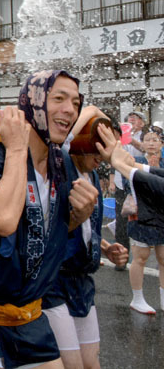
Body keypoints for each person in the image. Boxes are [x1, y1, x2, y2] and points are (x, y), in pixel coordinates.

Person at [0, 70, 99, 369]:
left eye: (75, 103)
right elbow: (5, 221)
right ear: (33, 103)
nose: (69, 109)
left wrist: (80, 215)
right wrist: (16, 148)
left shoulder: (60, 162)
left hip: (28, 313)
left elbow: (42, 234)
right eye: (59, 99)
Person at [42, 108, 128, 369]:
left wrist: (104, 247)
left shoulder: (91, 173)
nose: (102, 154)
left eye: (107, 147)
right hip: (55, 282)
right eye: (97, 144)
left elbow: (85, 225)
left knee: (92, 363)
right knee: (73, 365)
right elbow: (89, 110)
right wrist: (97, 118)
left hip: (82, 282)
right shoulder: (61, 164)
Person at [121, 129, 164, 314]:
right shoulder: (136, 162)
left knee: (163, 258)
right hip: (141, 214)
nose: (152, 143)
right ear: (142, 144)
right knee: (141, 257)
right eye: (148, 140)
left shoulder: (161, 163)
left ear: (161, 144)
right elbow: (125, 184)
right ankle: (137, 298)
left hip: (161, 215)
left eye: (156, 140)